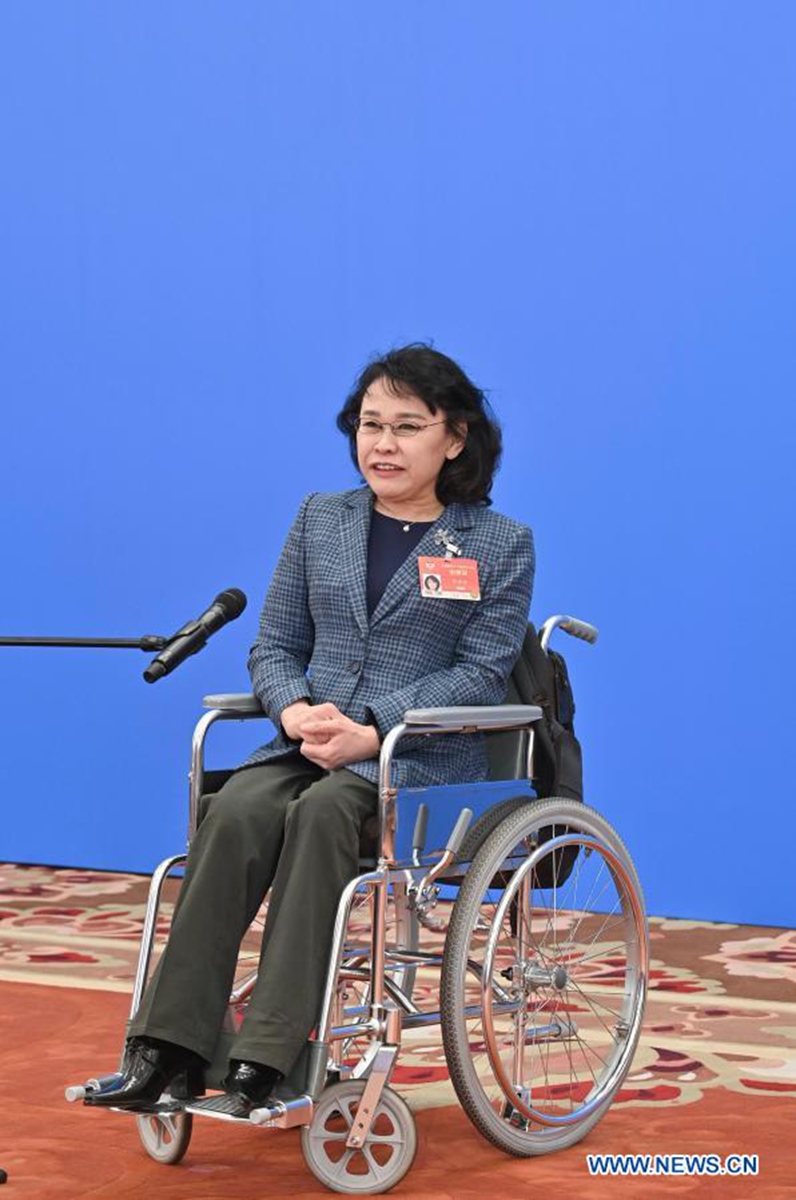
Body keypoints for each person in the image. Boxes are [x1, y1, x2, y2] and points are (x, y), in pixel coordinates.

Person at [86, 343, 535, 1114]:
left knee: (324, 814)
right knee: (236, 811)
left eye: (406, 426)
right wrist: (293, 708)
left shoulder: (498, 543)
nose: (382, 444)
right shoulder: (321, 518)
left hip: (414, 760)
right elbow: (275, 644)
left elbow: (482, 672)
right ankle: (167, 1046)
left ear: (454, 437)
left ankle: (271, 1054)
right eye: (369, 425)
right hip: (307, 740)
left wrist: (372, 728)